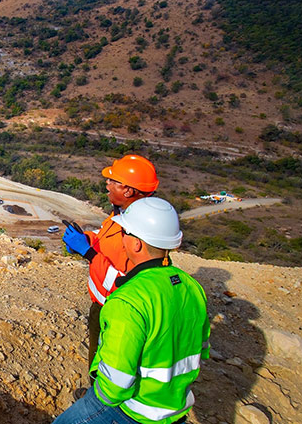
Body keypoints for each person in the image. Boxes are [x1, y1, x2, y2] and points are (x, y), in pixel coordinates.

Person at [53, 197, 209, 424]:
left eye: (124, 232)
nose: (121, 237)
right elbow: (200, 350)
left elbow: (114, 387)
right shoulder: (191, 287)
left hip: (134, 410)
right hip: (174, 407)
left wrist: (100, 393)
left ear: (136, 244)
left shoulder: (127, 300)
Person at [62, 154, 159, 380]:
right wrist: (85, 239)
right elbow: (106, 238)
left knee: (109, 362)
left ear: (127, 190)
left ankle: (99, 402)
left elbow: (121, 283)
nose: (106, 184)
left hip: (115, 307)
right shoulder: (123, 214)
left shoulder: (137, 229)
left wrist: (87, 252)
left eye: (112, 181)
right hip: (105, 303)